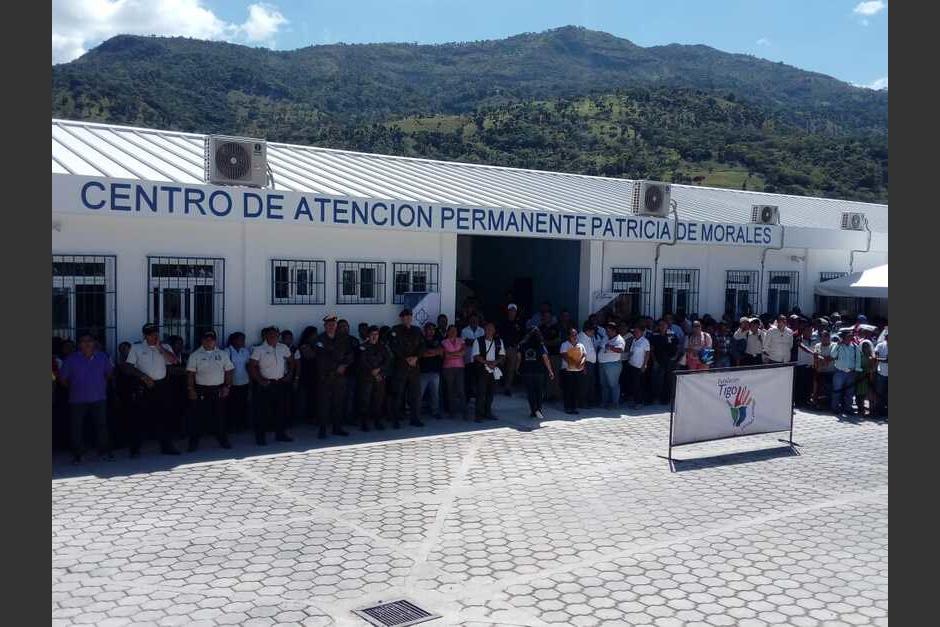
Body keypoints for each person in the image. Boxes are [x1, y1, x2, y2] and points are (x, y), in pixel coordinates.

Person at [122, 323, 181, 456]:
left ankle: (166, 446)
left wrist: (160, 348)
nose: (153, 336)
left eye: (155, 333)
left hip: (161, 385)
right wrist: (143, 377)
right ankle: (135, 448)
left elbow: (174, 361)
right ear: (145, 335)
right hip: (144, 385)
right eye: (150, 334)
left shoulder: (165, 347)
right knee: (139, 417)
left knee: (164, 416)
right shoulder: (137, 347)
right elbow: (129, 367)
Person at [59, 333, 114, 463]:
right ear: (79, 345)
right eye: (83, 341)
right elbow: (63, 379)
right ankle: (78, 454)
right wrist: (75, 388)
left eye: (90, 341)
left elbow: (109, 374)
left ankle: (104, 451)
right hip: (77, 399)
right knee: (77, 427)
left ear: (94, 343)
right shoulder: (71, 359)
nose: (87, 343)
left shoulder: (102, 357)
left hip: (99, 397)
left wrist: (99, 385)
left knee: (101, 425)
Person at [185, 330, 234, 451]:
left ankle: (222, 439)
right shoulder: (195, 355)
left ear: (215, 340)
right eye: (206, 339)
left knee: (220, 416)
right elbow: (190, 374)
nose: (209, 341)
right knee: (197, 417)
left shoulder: (222, 354)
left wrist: (227, 387)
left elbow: (229, 370)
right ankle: (194, 442)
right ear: (202, 340)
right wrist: (191, 389)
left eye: (211, 339)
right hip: (201, 389)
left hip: (218, 389)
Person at [248, 326, 295, 445]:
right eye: (271, 335)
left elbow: (291, 361)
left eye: (276, 335)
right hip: (266, 384)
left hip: (279, 383)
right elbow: (252, 366)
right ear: (266, 336)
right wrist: (259, 380)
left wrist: (289, 374)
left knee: (280, 410)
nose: (274, 337)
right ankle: (260, 437)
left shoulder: (283, 347)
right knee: (262, 412)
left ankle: (280, 434)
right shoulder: (259, 349)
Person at [313, 315, 354, 438]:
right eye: (329, 325)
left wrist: (344, 365)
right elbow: (321, 358)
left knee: (338, 403)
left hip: (339, 376)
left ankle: (337, 428)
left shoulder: (343, 339)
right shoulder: (319, 339)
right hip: (325, 376)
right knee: (323, 404)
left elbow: (350, 354)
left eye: (333, 325)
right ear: (325, 326)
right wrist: (334, 366)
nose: (331, 327)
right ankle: (322, 429)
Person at [390, 308, 426, 428]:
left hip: (414, 367)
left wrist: (416, 357)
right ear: (402, 318)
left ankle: (415, 418)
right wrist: (406, 358)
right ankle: (395, 419)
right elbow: (394, 347)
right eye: (405, 317)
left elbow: (422, 345)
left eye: (410, 316)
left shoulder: (417, 330)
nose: (408, 318)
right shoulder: (395, 330)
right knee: (398, 394)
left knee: (415, 395)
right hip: (401, 367)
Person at [517, 327, 554, 420]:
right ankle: (539, 409)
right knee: (539, 391)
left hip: (527, 371)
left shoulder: (522, 345)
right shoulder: (541, 345)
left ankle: (533, 411)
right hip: (539, 371)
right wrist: (550, 370)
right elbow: (545, 358)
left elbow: (519, 358)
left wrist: (517, 368)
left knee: (530, 392)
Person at [472, 322, 506, 421]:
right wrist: (487, 362)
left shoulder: (499, 341)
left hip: (494, 369)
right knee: (481, 393)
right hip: (482, 369)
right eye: (487, 329)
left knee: (491, 392)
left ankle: (488, 412)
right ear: (484, 330)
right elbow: (476, 355)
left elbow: (502, 355)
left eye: (491, 329)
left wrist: (495, 362)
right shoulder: (478, 341)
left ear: (494, 330)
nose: (489, 331)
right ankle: (478, 415)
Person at [356, 325, 389, 431]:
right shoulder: (363, 347)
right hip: (367, 378)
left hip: (379, 378)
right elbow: (362, 362)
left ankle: (377, 421)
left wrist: (379, 370)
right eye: (372, 334)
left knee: (378, 401)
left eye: (376, 334)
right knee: (365, 401)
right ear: (368, 336)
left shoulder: (382, 347)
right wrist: (372, 371)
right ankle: (364, 423)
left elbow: (388, 361)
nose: (375, 336)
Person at [830, 331, 862, 418]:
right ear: (844, 337)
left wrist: (857, 370)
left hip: (851, 372)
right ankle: (835, 408)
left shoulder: (855, 347)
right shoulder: (838, 346)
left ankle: (848, 408)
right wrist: (838, 345)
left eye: (851, 336)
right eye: (848, 336)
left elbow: (858, 359)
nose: (850, 338)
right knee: (837, 391)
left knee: (850, 392)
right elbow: (832, 355)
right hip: (839, 371)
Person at [225, 332, 252, 432]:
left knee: (243, 404)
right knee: (232, 405)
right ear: (234, 340)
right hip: (232, 383)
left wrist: (250, 381)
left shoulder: (245, 351)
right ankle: (232, 425)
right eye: (241, 339)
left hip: (244, 381)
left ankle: (242, 424)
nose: (243, 342)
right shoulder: (227, 351)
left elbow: (248, 366)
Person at [441, 324, 469, 420]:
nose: (453, 332)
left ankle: (465, 412)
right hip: (448, 368)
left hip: (460, 367)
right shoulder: (443, 342)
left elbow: (464, 352)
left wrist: (452, 354)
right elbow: (446, 355)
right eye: (451, 330)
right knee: (450, 390)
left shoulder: (461, 340)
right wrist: (458, 354)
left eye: (455, 330)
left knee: (461, 390)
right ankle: (452, 412)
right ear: (448, 332)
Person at [649, 319, 679, 405]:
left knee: (668, 380)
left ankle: (666, 399)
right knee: (656, 380)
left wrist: (675, 357)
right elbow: (652, 349)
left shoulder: (672, 334)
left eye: (664, 325)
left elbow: (677, 346)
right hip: (658, 361)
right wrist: (654, 360)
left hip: (669, 361)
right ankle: (655, 397)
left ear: (667, 326)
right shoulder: (654, 335)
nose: (662, 327)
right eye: (660, 325)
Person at [498, 304, 525, 396]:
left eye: (514, 311)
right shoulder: (503, 322)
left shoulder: (519, 323)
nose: (512, 312)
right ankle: (499, 383)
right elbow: (498, 335)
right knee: (500, 366)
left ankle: (507, 388)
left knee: (511, 369)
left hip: (513, 348)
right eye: (510, 310)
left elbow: (522, 336)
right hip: (503, 348)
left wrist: (518, 347)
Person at [597, 321, 625, 409]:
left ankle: (614, 403)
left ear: (614, 331)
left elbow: (620, 350)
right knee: (604, 384)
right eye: (606, 331)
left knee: (613, 385)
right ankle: (605, 402)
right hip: (602, 364)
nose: (607, 332)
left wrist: (611, 347)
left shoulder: (619, 339)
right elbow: (601, 346)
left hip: (613, 364)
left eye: (609, 331)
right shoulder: (606, 337)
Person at [418, 322, 444, 421]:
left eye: (433, 329)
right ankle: (417, 412)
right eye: (429, 329)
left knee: (435, 394)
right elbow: (422, 354)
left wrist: (431, 352)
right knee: (419, 394)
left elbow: (441, 352)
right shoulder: (421, 340)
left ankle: (435, 411)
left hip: (435, 371)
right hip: (423, 372)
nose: (431, 331)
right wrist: (435, 352)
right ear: (425, 330)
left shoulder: (438, 339)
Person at [294, 326, 319, 424]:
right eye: (314, 334)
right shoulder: (304, 345)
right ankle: (305, 417)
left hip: (314, 374)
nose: (316, 336)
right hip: (306, 374)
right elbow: (310, 356)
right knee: (305, 397)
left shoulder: (314, 345)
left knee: (313, 397)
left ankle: (312, 416)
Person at [559, 327, 586, 415]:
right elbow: (564, 356)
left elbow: (584, 356)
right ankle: (567, 407)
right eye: (572, 335)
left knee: (576, 389)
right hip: (567, 370)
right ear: (568, 336)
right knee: (568, 389)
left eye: (575, 334)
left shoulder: (581, 345)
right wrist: (574, 363)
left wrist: (581, 364)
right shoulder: (564, 344)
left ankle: (574, 407)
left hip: (578, 370)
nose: (574, 336)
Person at [626, 325, 651, 409]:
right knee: (633, 384)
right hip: (632, 364)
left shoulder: (645, 341)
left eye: (637, 331)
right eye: (634, 332)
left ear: (642, 332)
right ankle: (635, 401)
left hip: (639, 366)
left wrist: (644, 365)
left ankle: (639, 402)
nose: (635, 333)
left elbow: (647, 354)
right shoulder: (634, 340)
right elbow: (631, 352)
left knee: (639, 385)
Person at [460, 313, 485, 400]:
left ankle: (478, 398)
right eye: (472, 319)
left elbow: (482, 344)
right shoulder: (464, 330)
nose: (474, 321)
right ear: (469, 320)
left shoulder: (482, 330)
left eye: (476, 319)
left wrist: (471, 342)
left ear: (478, 320)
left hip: (479, 360)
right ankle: (467, 398)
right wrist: (475, 342)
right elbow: (464, 343)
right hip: (468, 359)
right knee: (468, 380)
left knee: (478, 380)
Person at [577, 322, 599, 408]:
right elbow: (580, 354)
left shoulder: (588, 337)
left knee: (589, 384)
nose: (594, 332)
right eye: (593, 331)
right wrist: (584, 367)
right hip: (586, 364)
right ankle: (582, 403)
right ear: (587, 330)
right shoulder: (582, 338)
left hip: (590, 364)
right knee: (584, 385)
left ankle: (588, 402)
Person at [794, 326, 816, 408]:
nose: (809, 333)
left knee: (808, 385)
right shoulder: (799, 339)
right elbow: (803, 347)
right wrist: (813, 353)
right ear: (803, 331)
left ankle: (806, 401)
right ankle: (798, 402)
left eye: (810, 331)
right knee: (800, 385)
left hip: (810, 366)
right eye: (807, 331)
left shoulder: (814, 340)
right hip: (801, 366)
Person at [873, 331, 888, 420]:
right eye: (887, 336)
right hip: (881, 372)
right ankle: (879, 410)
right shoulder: (880, 345)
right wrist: (884, 360)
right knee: (880, 392)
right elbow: (875, 357)